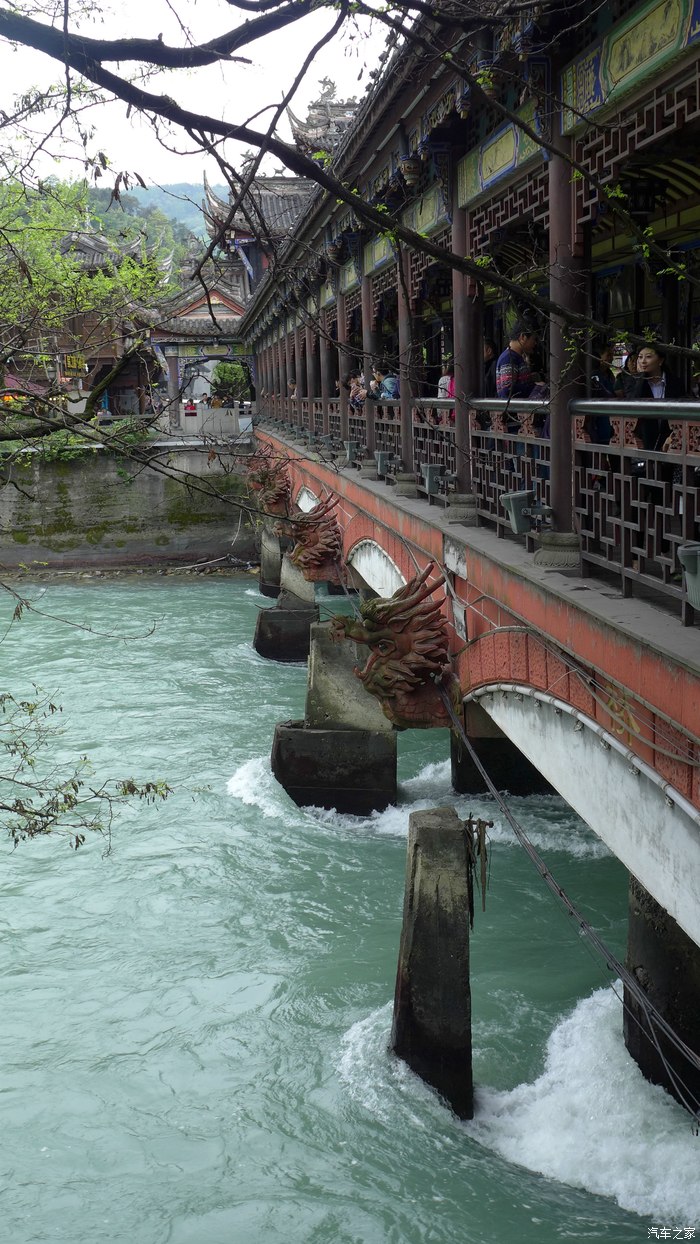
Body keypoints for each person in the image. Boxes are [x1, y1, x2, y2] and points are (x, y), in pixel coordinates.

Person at [495, 322, 538, 400]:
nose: (535, 343)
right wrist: (535, 387)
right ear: (523, 337)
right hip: (513, 410)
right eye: (534, 339)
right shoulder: (509, 358)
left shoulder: (514, 357)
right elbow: (508, 390)